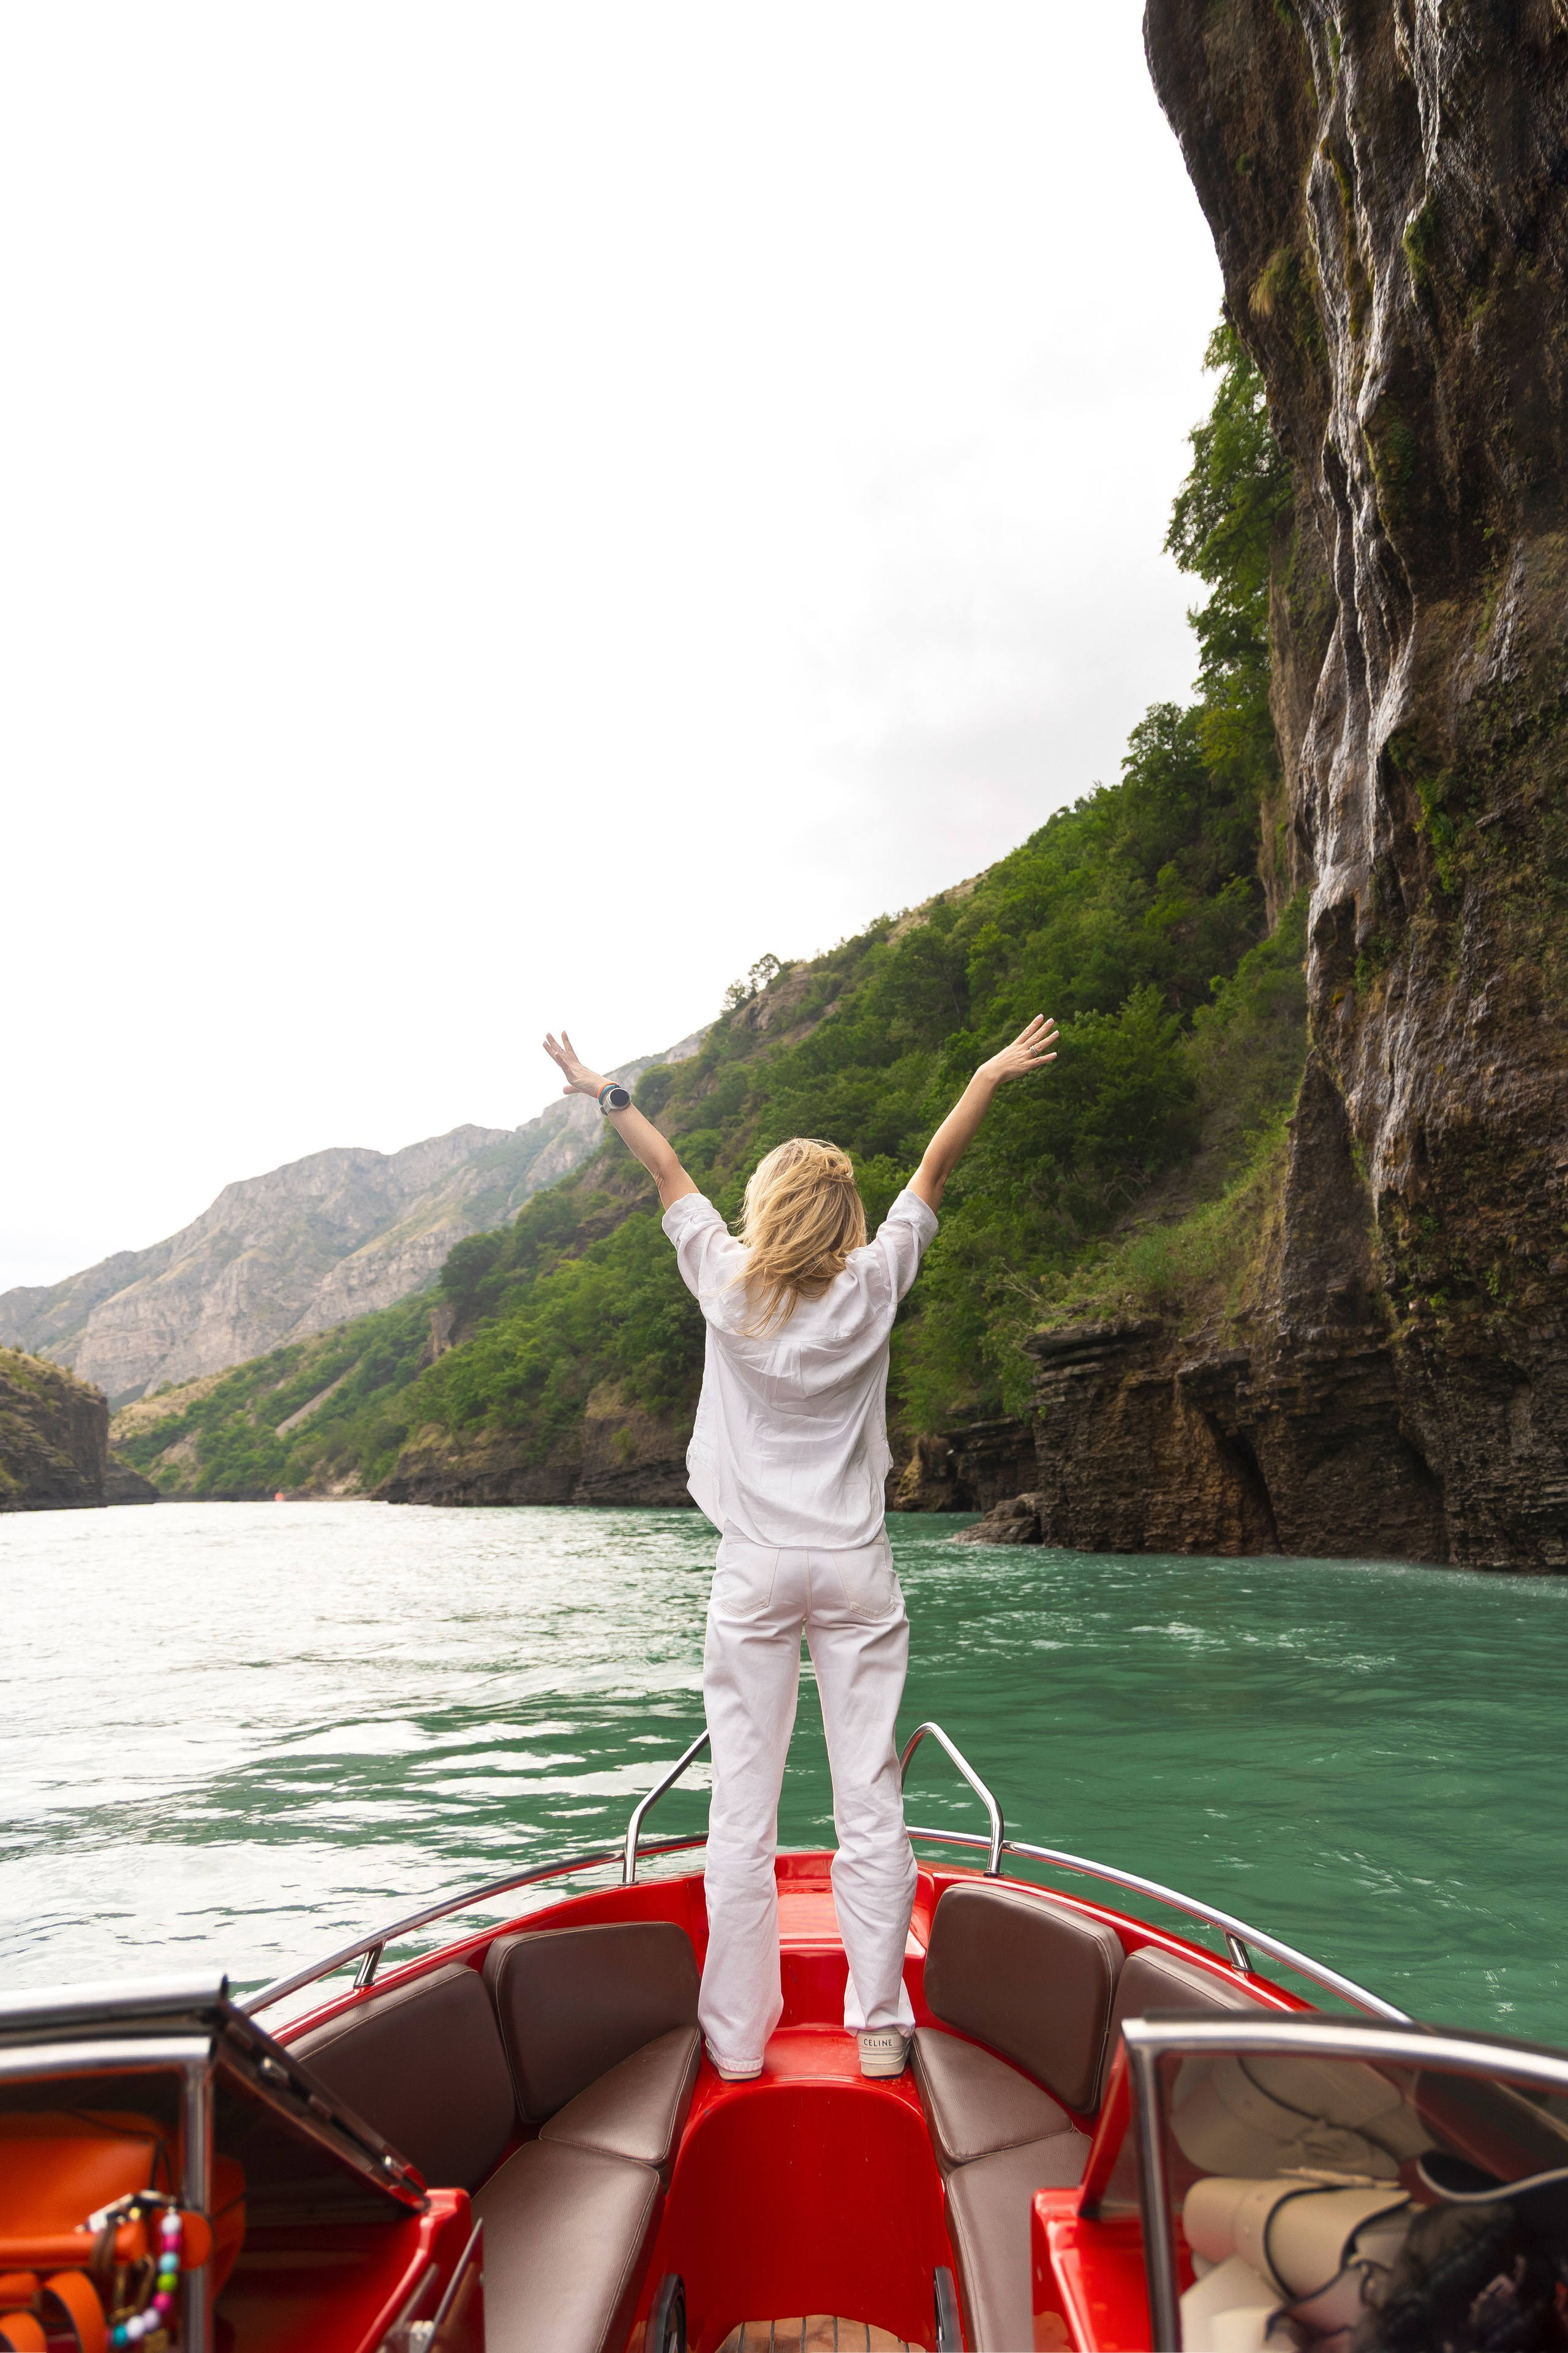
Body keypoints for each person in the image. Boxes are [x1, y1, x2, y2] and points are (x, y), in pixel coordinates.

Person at [541, 1015, 1058, 2082]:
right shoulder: (874, 1283)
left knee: (744, 1803)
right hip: (855, 1564)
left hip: (757, 1568)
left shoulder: (725, 1278)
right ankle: (880, 2023)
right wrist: (983, 1073)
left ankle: (737, 2041)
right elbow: (934, 1168)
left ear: (767, 1206)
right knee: (869, 1790)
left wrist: (603, 1089)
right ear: (846, 1215)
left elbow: (667, 1167)